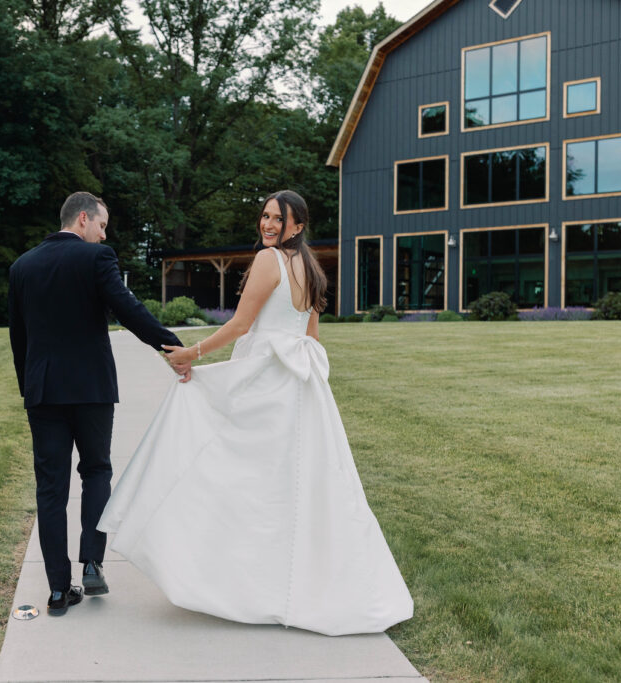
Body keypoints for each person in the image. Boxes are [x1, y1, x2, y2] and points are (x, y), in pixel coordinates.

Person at [97, 190, 413, 635]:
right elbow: (312, 338)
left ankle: (236, 579)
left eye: (277, 219)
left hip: (267, 381)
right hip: (298, 387)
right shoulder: (311, 268)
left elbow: (243, 324)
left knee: (232, 472)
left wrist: (193, 353)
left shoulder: (269, 261)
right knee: (290, 485)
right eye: (264, 216)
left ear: (297, 226)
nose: (267, 225)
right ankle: (287, 584)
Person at [8, 191, 190, 616]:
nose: (104, 234)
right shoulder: (96, 258)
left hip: (43, 392)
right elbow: (128, 309)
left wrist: (29, 387)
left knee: (51, 488)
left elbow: (19, 338)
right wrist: (173, 347)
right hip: (91, 389)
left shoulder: (22, 267)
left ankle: (57, 591)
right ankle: (92, 561)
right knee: (96, 471)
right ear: (84, 219)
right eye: (103, 226)